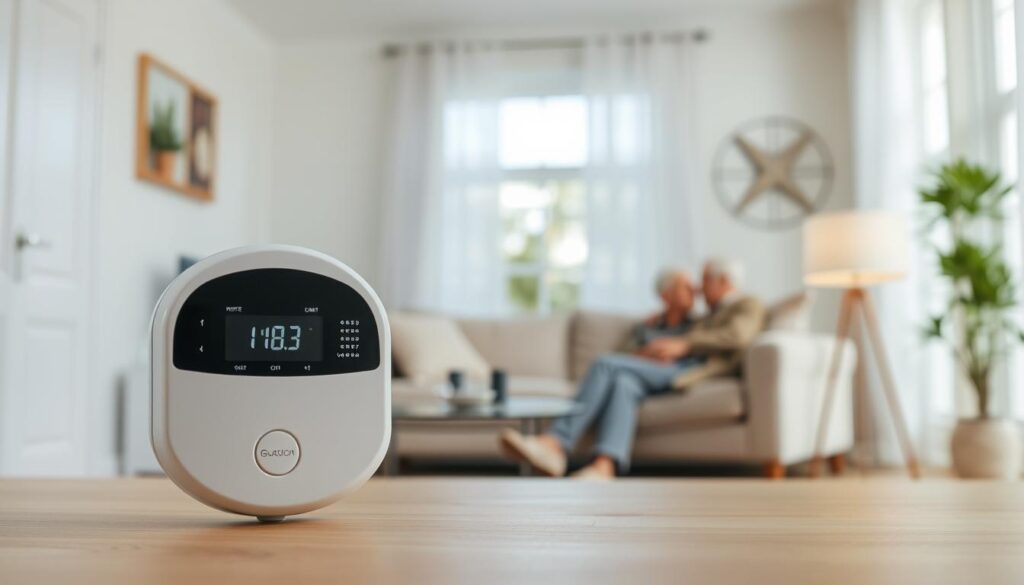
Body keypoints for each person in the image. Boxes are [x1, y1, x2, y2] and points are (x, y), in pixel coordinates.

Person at [499, 258, 766, 480]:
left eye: (703, 280)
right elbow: (628, 353)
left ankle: (555, 442)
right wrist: (645, 354)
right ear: (666, 295)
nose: (697, 288)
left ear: (723, 281)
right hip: (652, 371)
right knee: (624, 383)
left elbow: (735, 336)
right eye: (688, 285)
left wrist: (682, 345)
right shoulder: (655, 325)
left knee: (604, 363)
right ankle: (604, 466)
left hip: (683, 369)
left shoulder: (728, 311)